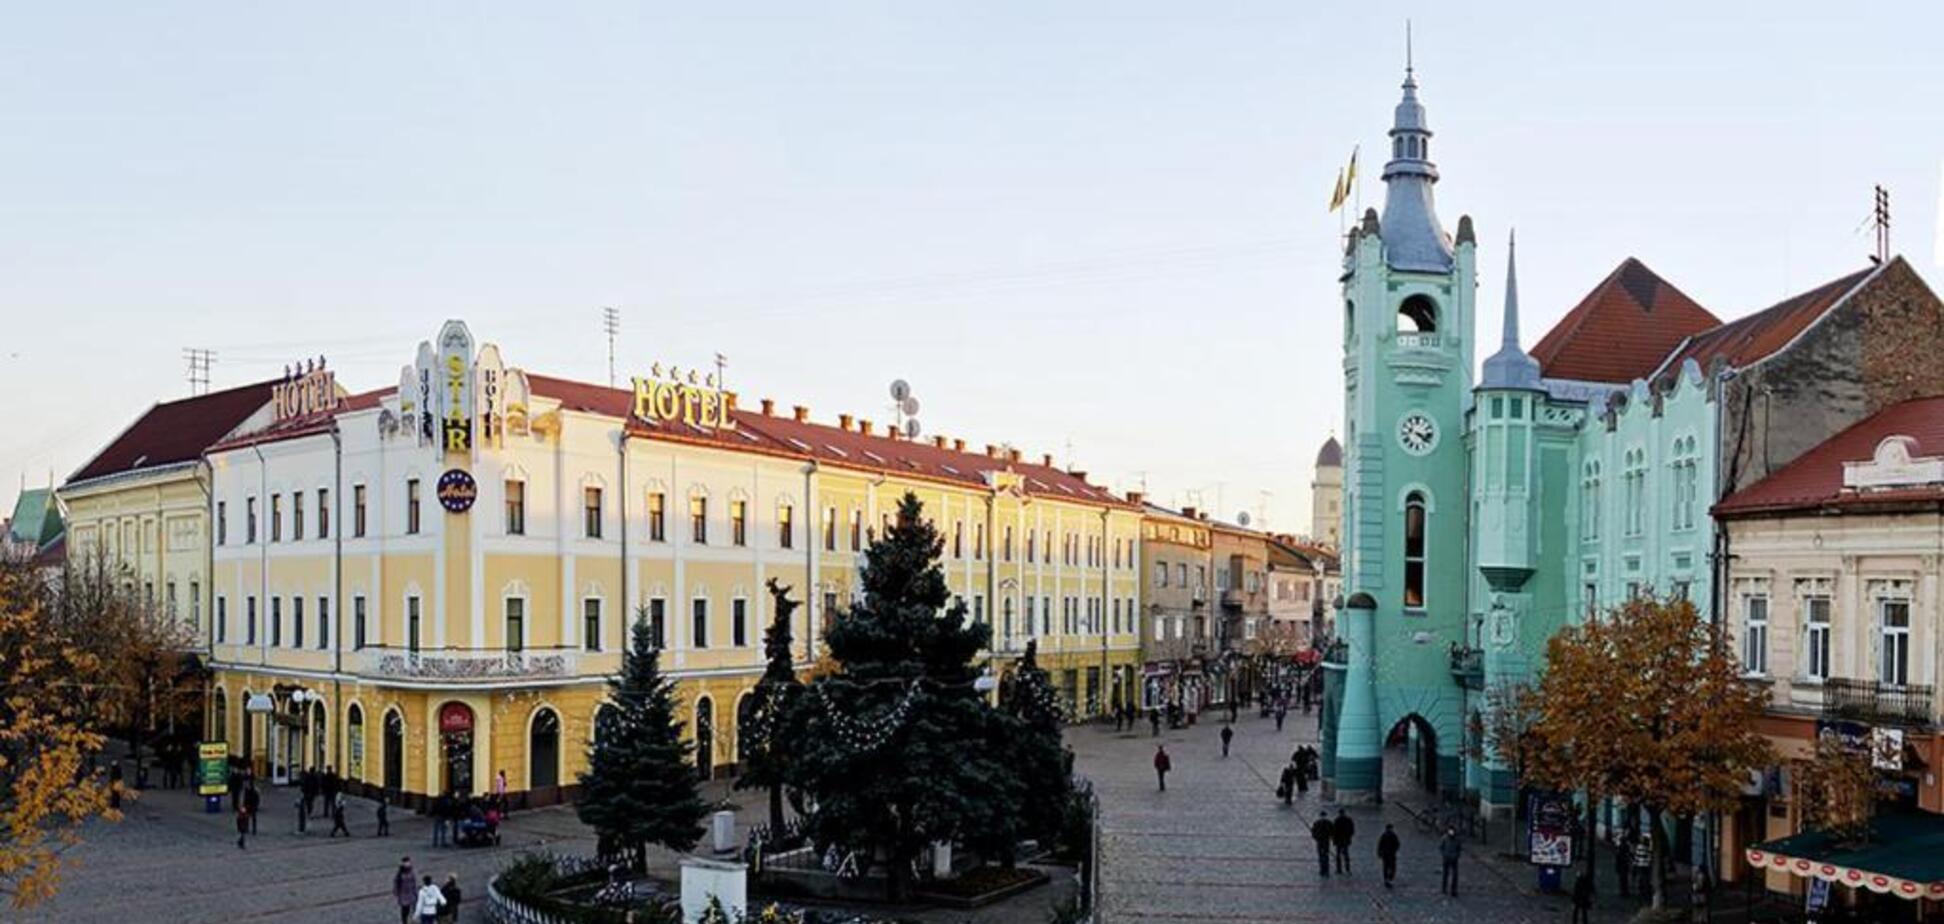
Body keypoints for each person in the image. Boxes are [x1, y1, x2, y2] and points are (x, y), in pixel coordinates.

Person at [392, 858, 416, 924]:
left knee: (409, 909)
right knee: (404, 909)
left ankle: (408, 920)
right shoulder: (400, 874)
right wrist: (396, 892)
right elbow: (396, 882)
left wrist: (414, 891)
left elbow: (413, 882)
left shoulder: (411, 872)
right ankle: (404, 921)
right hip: (403, 894)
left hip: (410, 893)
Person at [1439, 826, 1462, 896]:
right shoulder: (1444, 838)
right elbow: (1441, 847)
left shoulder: (1457, 839)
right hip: (1446, 858)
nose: (1451, 832)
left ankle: (1453, 890)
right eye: (1450, 831)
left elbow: (1459, 849)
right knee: (1445, 874)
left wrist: (1457, 856)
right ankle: (1444, 888)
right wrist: (1444, 855)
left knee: (1455, 875)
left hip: (1454, 859)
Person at [1331, 810, 1355, 874]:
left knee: (1338, 856)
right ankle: (1347, 869)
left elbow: (1334, 832)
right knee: (1346, 855)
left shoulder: (1337, 820)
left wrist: (1334, 840)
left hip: (1339, 840)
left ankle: (1339, 869)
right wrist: (1349, 837)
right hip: (1345, 840)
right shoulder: (1348, 820)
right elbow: (1352, 830)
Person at [1377, 823, 1401, 888]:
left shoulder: (1385, 835)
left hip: (1387, 854)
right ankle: (1389, 878)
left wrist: (1379, 853)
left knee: (1387, 867)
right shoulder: (1392, 836)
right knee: (1391, 867)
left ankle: (1387, 878)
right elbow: (1397, 844)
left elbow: (1380, 845)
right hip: (1390, 854)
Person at [1615, 829, 1634, 898]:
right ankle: (1625, 892)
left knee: (1622, 880)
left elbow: (1617, 858)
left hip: (1621, 866)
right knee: (1625, 879)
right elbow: (1630, 856)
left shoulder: (1619, 849)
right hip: (1625, 865)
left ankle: (1623, 892)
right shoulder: (1626, 848)